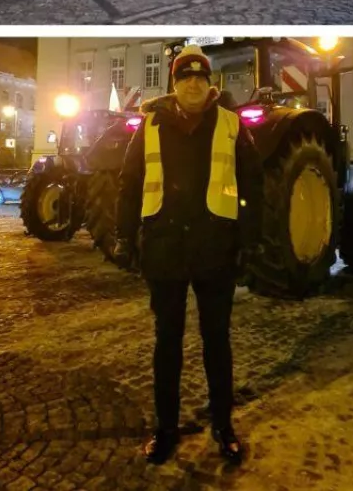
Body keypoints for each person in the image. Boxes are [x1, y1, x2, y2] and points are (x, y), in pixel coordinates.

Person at [115, 44, 263, 467]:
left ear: (210, 84)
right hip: (165, 249)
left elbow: (253, 185)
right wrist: (124, 236)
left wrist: (250, 242)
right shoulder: (150, 125)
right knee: (167, 342)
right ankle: (166, 429)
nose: (193, 84)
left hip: (216, 249)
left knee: (217, 342)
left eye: (200, 77)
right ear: (174, 84)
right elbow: (130, 183)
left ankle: (223, 426)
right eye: (185, 77)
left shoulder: (232, 125)